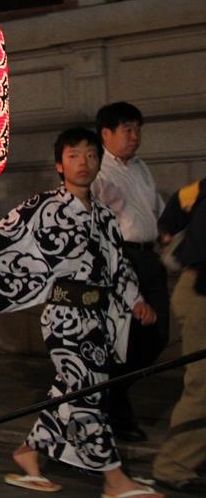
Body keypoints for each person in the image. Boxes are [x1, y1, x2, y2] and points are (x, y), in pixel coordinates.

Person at [0, 127, 161, 498]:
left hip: (99, 319)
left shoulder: (104, 215)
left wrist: (135, 300)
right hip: (64, 317)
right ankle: (114, 478)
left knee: (69, 393)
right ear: (60, 165)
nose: (84, 162)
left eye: (91, 155)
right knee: (88, 394)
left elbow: (118, 265)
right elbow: (2, 234)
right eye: (74, 155)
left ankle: (28, 453)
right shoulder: (44, 206)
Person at [91, 101, 169, 442]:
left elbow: (154, 207)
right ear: (106, 133)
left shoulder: (140, 167)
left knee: (157, 335)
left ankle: (112, 398)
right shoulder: (98, 171)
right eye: (127, 129)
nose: (135, 136)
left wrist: (166, 226)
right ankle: (115, 410)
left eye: (137, 128)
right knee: (128, 338)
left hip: (149, 257)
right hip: (121, 259)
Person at [151, 177, 206, 494]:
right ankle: (174, 465)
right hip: (201, 286)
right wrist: (166, 229)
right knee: (203, 382)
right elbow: (180, 202)